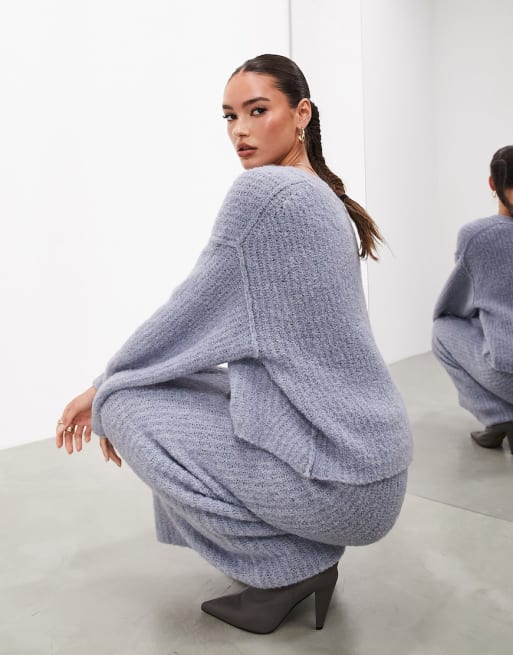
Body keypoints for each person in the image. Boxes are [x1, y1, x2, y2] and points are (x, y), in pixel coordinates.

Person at [56, 53, 413, 634]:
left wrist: (102, 389)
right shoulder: (322, 194)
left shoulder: (266, 193)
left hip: (341, 479)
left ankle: (285, 569)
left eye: (257, 110)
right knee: (171, 381)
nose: (240, 130)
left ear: (301, 114)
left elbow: (189, 313)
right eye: (229, 116)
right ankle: (302, 559)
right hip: (370, 464)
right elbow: (215, 330)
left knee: (124, 403)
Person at [432, 145, 513, 453]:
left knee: (443, 329)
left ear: (492, 183)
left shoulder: (479, 236)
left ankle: (501, 418)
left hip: (509, 377)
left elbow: (453, 307)